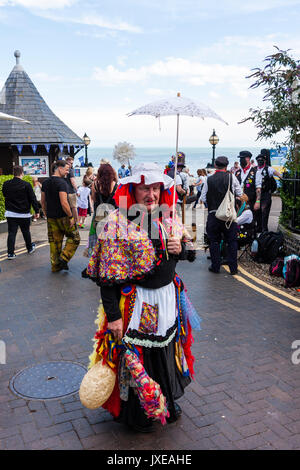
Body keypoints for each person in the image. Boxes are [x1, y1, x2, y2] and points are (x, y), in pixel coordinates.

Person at [84, 162, 199, 432]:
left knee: (164, 352)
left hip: (168, 303)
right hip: (137, 304)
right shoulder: (117, 224)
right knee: (138, 356)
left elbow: (192, 253)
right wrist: (113, 317)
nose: (152, 194)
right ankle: (139, 412)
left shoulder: (167, 218)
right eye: (145, 188)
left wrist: (180, 247)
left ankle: (165, 401)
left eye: (156, 188)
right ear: (133, 190)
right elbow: (106, 276)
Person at [200, 156, 242, 275]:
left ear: (215, 165)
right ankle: (233, 269)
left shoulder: (209, 179)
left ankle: (215, 266)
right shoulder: (231, 177)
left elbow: (203, 197)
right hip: (228, 215)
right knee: (232, 241)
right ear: (227, 166)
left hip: (214, 215)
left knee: (214, 241)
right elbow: (239, 193)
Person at [41, 160, 80, 272]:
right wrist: (71, 217)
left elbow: (43, 202)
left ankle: (55, 266)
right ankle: (64, 258)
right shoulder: (62, 183)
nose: (67, 172)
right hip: (64, 217)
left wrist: (46, 213)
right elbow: (64, 203)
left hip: (51, 217)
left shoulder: (45, 182)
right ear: (59, 168)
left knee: (54, 242)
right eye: (66, 169)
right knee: (75, 238)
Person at [2, 165, 39, 260]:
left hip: (11, 213)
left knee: (12, 233)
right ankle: (30, 248)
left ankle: (10, 253)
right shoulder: (26, 184)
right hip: (24, 213)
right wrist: (37, 210)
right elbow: (32, 199)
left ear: (13, 173)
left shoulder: (6, 184)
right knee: (26, 231)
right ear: (22, 173)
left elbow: (5, 194)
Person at [84, 163, 118, 258]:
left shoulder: (95, 185)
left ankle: (98, 261)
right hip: (113, 219)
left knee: (97, 242)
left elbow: (94, 200)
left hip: (98, 217)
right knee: (111, 243)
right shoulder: (116, 186)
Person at [254, 153, 282, 233]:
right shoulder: (255, 169)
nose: (260, 161)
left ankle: (264, 230)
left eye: (261, 160)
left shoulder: (268, 169)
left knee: (264, 211)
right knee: (257, 212)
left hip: (265, 194)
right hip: (256, 194)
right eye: (258, 160)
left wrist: (282, 177)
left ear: (265, 161)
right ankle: (258, 228)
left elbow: (277, 173)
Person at [65, 156, 78, 222]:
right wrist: (77, 190)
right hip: (71, 191)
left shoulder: (63, 170)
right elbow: (73, 181)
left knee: (66, 206)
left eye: (72, 163)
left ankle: (69, 219)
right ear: (67, 162)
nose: (71, 165)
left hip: (64, 191)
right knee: (74, 207)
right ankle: (76, 220)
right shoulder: (70, 171)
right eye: (70, 163)